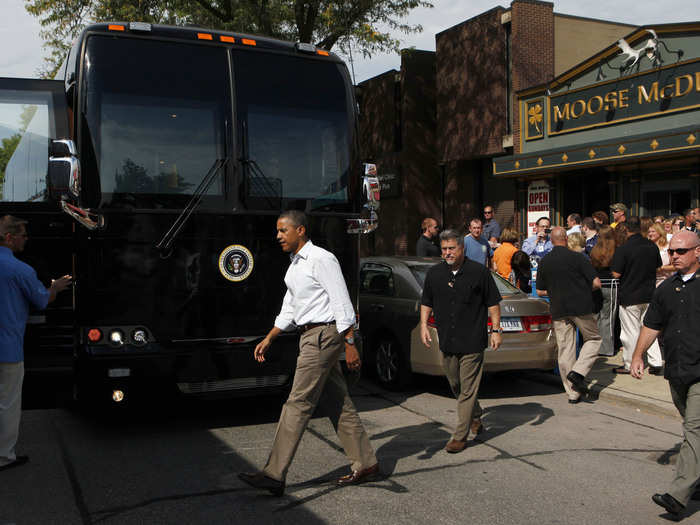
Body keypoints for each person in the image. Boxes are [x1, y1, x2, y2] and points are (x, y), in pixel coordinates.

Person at [238, 210, 377, 496]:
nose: (278, 236)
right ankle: (366, 464)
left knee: (297, 403)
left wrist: (350, 344)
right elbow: (290, 307)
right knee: (338, 401)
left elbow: (342, 302)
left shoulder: (321, 259)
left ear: (300, 230)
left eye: (283, 230)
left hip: (324, 336)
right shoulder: (295, 265)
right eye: (277, 231)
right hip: (310, 335)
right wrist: (270, 337)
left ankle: (274, 474)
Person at [629, 231, 700, 520]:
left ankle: (678, 496)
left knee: (695, 430)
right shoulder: (666, 288)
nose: (674, 256)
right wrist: (637, 355)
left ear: (697, 252)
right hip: (676, 370)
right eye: (671, 251)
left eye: (681, 251)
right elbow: (651, 324)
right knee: (691, 428)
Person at [420, 229, 502, 453]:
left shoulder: (479, 272)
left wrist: (495, 330)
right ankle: (475, 416)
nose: (447, 253)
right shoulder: (435, 274)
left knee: (467, 389)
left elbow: (493, 303)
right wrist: (424, 325)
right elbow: (426, 301)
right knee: (456, 385)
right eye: (444, 249)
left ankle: (460, 435)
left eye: (451, 249)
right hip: (447, 340)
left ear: (462, 249)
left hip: (473, 340)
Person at [0, 215, 71, 471]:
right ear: (9, 238)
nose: (26, 240)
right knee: (7, 404)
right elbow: (42, 300)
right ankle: (4, 456)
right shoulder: (20, 269)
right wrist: (56, 286)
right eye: (22, 235)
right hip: (7, 348)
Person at [536, 227, 602, 404]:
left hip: (558, 308)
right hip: (581, 307)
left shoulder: (545, 261)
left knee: (565, 349)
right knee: (594, 339)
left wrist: (556, 291)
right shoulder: (578, 257)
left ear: (551, 240)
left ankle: (572, 393)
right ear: (565, 238)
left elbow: (541, 290)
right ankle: (578, 372)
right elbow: (596, 283)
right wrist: (583, 290)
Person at [611, 217, 663, 374]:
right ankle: (656, 361)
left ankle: (630, 363)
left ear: (627, 229)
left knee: (630, 332)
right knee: (650, 327)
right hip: (649, 293)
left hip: (630, 295)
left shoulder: (624, 248)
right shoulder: (651, 246)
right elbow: (658, 267)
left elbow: (616, 273)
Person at [590, 226, 617, 357]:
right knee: (608, 318)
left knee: (597, 317)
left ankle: (594, 347)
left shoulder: (594, 250)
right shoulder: (616, 250)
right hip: (611, 286)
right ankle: (606, 348)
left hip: (597, 285)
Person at [647, 223, 675, 288]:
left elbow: (675, 267)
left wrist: (661, 268)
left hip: (665, 282)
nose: (650, 234)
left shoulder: (668, 247)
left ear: (660, 232)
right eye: (649, 232)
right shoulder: (647, 247)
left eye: (653, 231)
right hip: (649, 282)